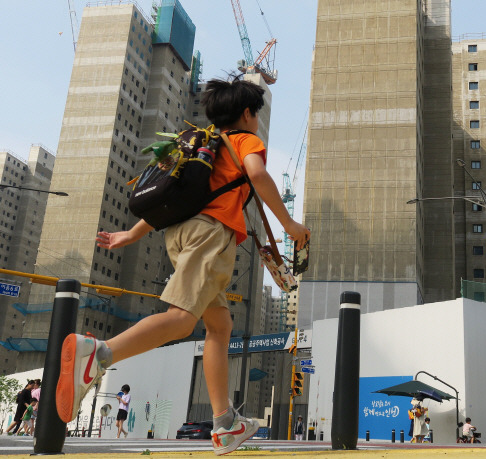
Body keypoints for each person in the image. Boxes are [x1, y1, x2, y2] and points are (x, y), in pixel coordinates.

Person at [55, 76, 310, 456]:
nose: (257, 120)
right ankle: (100, 353)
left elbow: (176, 197)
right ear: (246, 114)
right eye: (255, 113)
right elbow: (257, 174)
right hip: (210, 237)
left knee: (219, 326)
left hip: (182, 234)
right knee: (180, 318)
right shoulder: (244, 141)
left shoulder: (203, 147)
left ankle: (225, 424)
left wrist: (132, 233)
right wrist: (289, 225)